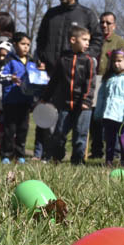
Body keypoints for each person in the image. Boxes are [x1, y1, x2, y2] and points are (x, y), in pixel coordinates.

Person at [42, 25, 97, 165]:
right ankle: (57, 158)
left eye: (88, 40)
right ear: (73, 40)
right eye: (84, 39)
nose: (87, 43)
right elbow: (54, 81)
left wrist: (86, 100)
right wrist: (45, 99)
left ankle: (77, 162)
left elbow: (90, 83)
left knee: (80, 135)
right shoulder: (63, 60)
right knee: (59, 134)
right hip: (64, 105)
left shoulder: (89, 61)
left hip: (83, 106)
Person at [35, 0, 103, 70]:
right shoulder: (50, 14)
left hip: (75, 71)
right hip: (50, 71)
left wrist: (84, 57)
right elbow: (41, 39)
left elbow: (97, 40)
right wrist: (42, 57)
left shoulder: (87, 14)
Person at [90, 11, 124, 160]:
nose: (104, 25)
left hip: (111, 81)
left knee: (111, 118)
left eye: (108, 23)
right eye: (102, 22)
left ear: (114, 25)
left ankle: (114, 151)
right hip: (94, 80)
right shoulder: (94, 40)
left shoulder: (119, 42)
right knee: (95, 118)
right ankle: (96, 149)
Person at [94, 50, 124, 167]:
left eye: (119, 61)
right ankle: (108, 161)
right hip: (109, 115)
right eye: (114, 61)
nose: (116, 64)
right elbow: (101, 96)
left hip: (123, 116)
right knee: (109, 140)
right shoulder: (108, 78)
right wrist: (99, 112)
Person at [0, 32, 33, 164]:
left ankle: (20, 155)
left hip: (25, 101)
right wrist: (10, 78)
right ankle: (6, 154)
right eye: (23, 44)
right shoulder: (9, 60)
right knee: (9, 129)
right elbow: (0, 76)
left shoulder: (31, 61)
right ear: (15, 44)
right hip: (11, 100)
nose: (26, 47)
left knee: (23, 129)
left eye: (28, 45)